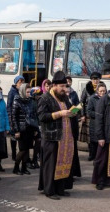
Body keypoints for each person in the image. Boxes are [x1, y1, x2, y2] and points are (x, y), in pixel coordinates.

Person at [37, 71, 77, 200]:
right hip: (51, 137)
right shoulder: (45, 98)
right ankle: (49, 190)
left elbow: (69, 110)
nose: (64, 89)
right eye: (62, 86)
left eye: (65, 86)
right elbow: (42, 117)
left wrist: (74, 112)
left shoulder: (64, 97)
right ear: (54, 85)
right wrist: (60, 113)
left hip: (65, 137)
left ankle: (60, 189)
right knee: (51, 165)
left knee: (63, 163)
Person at [10, 83, 38, 175]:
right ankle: (16, 167)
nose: (29, 93)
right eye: (27, 92)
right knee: (22, 150)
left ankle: (24, 167)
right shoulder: (17, 101)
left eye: (30, 92)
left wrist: (35, 129)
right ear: (22, 91)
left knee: (27, 149)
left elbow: (34, 115)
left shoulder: (30, 101)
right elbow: (14, 117)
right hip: (21, 129)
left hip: (29, 128)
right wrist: (16, 130)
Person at [65, 75, 82, 178]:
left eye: (68, 92)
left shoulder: (74, 94)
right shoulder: (61, 100)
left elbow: (79, 105)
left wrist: (76, 111)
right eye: (66, 92)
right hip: (65, 127)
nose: (67, 93)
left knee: (73, 151)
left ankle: (73, 172)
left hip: (73, 125)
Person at [80, 72, 101, 153]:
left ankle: (97, 154)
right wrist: (82, 115)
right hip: (89, 115)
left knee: (99, 134)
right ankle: (91, 153)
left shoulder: (102, 88)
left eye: (97, 79)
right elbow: (81, 102)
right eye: (93, 79)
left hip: (99, 115)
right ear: (91, 80)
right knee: (89, 135)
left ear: (99, 79)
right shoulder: (86, 89)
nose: (95, 81)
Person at [86, 82, 106, 161]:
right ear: (97, 91)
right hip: (94, 123)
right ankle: (92, 156)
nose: (102, 93)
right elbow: (89, 111)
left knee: (102, 142)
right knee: (93, 141)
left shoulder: (108, 99)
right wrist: (98, 115)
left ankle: (99, 158)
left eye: (104, 91)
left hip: (104, 124)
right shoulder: (92, 99)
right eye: (100, 91)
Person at [8, 75, 26, 161]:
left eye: (23, 81)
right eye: (20, 82)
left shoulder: (22, 91)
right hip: (13, 117)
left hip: (20, 118)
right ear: (16, 83)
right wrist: (10, 118)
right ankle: (14, 155)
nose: (21, 83)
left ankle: (19, 154)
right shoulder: (12, 92)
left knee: (19, 137)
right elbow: (9, 106)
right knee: (13, 136)